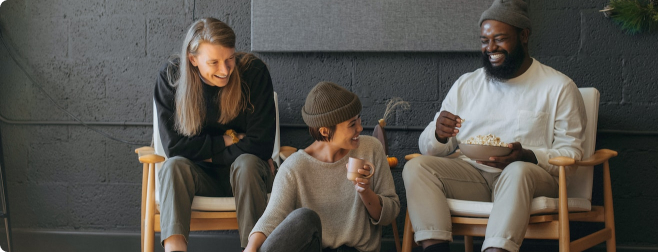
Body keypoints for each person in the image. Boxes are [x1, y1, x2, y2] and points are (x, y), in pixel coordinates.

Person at [402, 0, 587, 252]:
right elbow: (429, 149)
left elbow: (572, 155)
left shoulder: (558, 87)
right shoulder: (467, 85)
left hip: (532, 179)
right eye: (484, 40)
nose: (491, 48)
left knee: (517, 170)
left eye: (500, 39)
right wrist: (439, 134)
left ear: (523, 36)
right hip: (474, 176)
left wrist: (528, 156)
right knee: (416, 167)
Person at [153, 17, 276, 252]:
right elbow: (175, 148)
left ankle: (252, 249)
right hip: (200, 178)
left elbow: (261, 145)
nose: (225, 70)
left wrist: (205, 153)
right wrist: (230, 139)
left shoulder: (253, 72)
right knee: (173, 167)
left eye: (230, 59)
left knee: (247, 163)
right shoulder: (171, 78)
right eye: (214, 62)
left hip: (248, 177)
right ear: (193, 60)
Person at [244, 81, 400, 252]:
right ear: (325, 131)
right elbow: (271, 218)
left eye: (358, 119)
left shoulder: (371, 148)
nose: (360, 128)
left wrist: (365, 192)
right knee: (303, 218)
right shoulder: (294, 167)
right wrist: (251, 249)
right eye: (352, 124)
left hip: (358, 250)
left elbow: (390, 213)